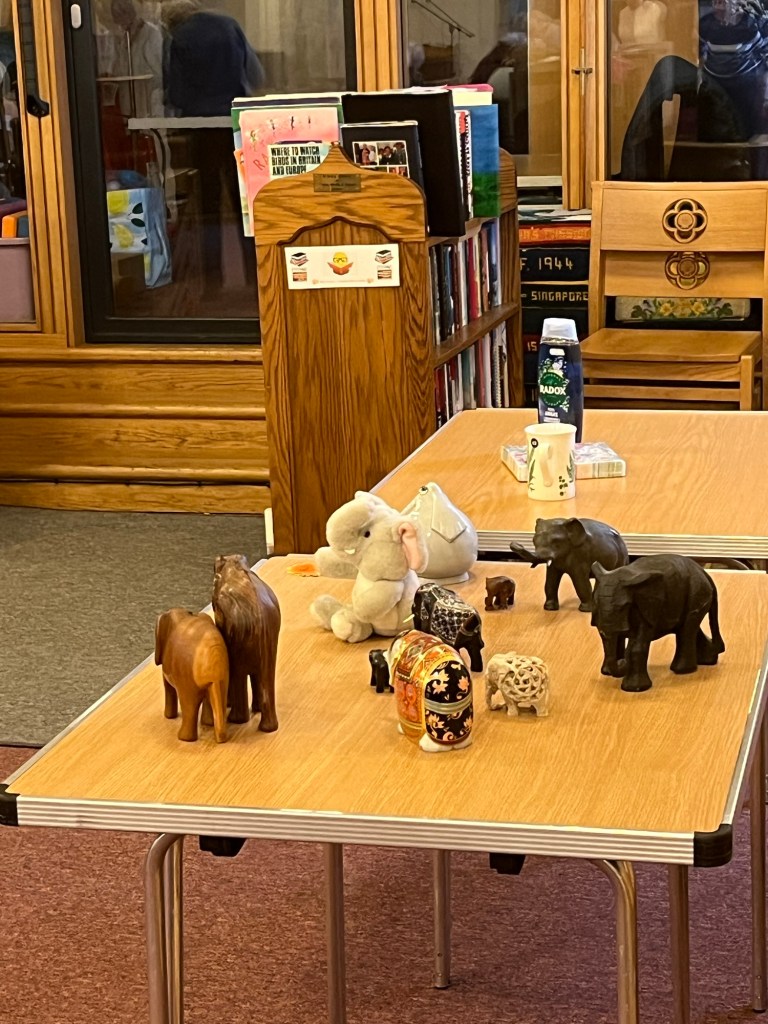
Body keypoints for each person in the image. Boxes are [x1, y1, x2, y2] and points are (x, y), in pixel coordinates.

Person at [166, 3, 264, 298]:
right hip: (234, 123)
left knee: (208, 207)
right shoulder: (229, 25)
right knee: (243, 204)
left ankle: (212, 283)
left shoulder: (179, 37)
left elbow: (177, 93)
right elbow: (256, 74)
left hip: (201, 127)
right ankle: (255, 278)